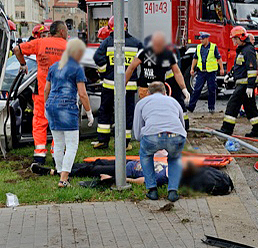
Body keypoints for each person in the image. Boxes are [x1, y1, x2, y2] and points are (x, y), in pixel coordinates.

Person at [13, 20, 68, 164]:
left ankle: (39, 154)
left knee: (39, 121)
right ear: (62, 32)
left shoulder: (40, 43)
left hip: (42, 91)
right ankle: (57, 154)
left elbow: (17, 49)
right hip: (61, 92)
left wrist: (23, 65)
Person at [43, 38, 94, 188]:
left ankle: (61, 172)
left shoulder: (54, 67)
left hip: (52, 106)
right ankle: (63, 179)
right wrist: (89, 113)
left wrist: (47, 107)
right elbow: (83, 94)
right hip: (67, 108)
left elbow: (46, 90)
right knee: (72, 145)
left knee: (58, 143)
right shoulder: (77, 68)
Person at [134, 81, 188, 202]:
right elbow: (182, 124)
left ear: (148, 93)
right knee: (175, 158)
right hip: (176, 135)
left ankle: (152, 190)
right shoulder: (173, 101)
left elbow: (137, 130)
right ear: (165, 92)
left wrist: (142, 140)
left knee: (146, 155)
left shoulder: (142, 103)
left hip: (152, 136)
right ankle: (173, 191)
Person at [92, 18, 142, 150]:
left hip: (110, 84)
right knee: (127, 113)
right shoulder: (136, 43)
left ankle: (103, 140)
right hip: (129, 85)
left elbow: (98, 58)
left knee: (106, 111)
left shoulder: (108, 42)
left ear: (110, 28)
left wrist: (103, 73)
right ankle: (125, 143)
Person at [31, 157, 198, 187]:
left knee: (92, 170)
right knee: (97, 163)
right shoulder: (170, 168)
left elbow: (144, 181)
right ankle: (64, 167)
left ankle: (53, 172)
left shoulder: (164, 179)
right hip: (129, 162)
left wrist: (118, 179)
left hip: (124, 170)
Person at [219, 26, 258, 137]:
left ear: (241, 38)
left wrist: (250, 86)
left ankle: (227, 129)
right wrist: (230, 74)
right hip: (242, 83)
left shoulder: (248, 51)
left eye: (235, 38)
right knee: (250, 108)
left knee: (232, 105)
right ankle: (257, 130)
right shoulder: (243, 50)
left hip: (244, 85)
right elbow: (238, 66)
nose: (233, 41)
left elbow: (252, 70)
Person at [124, 32, 189, 103]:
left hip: (160, 89)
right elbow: (131, 68)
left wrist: (184, 89)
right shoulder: (144, 52)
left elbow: (177, 72)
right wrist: (123, 85)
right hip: (146, 88)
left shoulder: (168, 54)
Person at [187, 32, 225, 113]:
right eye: (200, 39)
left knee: (212, 90)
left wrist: (221, 69)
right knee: (197, 89)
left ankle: (211, 107)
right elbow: (195, 58)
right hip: (201, 72)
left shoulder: (213, 47)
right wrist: (192, 68)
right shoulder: (199, 47)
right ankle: (191, 106)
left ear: (207, 38)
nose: (201, 41)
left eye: (202, 39)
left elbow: (219, 58)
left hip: (211, 72)